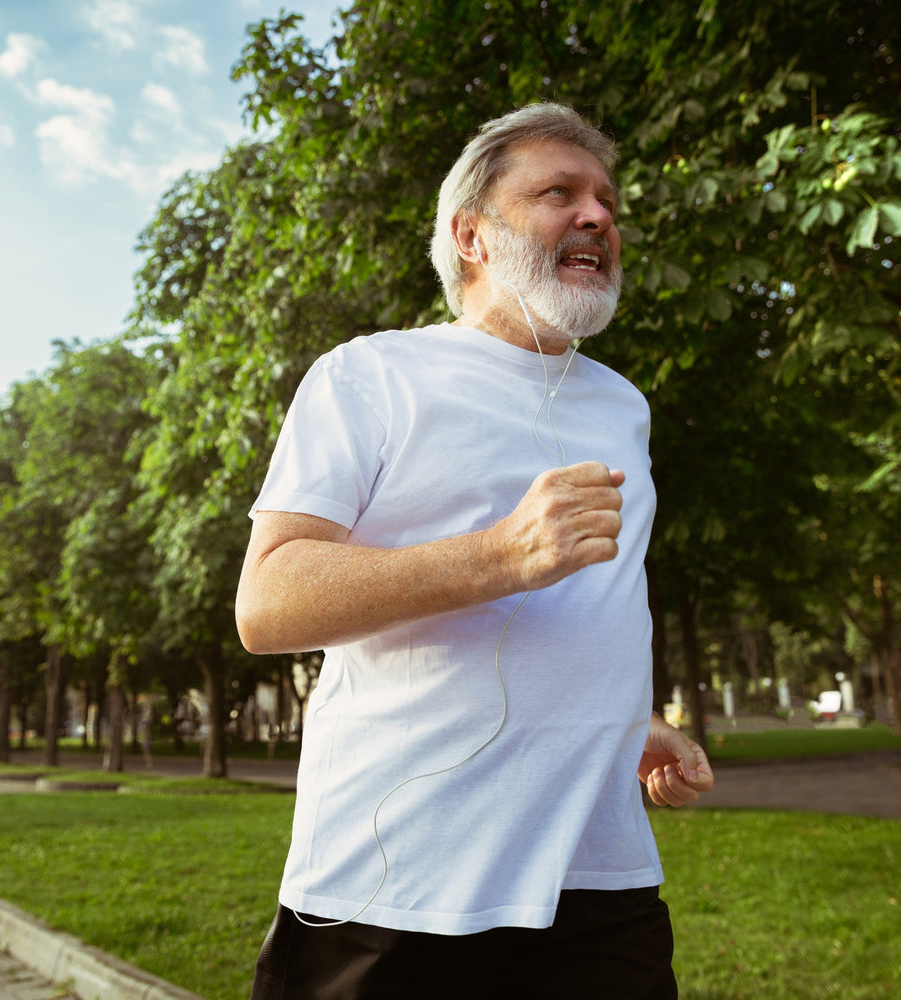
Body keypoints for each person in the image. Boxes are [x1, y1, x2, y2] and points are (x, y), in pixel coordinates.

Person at [235, 102, 715, 1000]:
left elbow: (587, 614)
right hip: (397, 884)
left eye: (608, 201)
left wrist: (621, 717)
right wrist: (500, 555)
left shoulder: (623, 406)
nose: (599, 217)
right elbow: (268, 602)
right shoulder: (368, 374)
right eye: (558, 194)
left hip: (599, 882)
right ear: (472, 237)